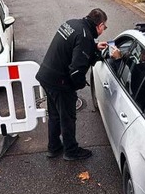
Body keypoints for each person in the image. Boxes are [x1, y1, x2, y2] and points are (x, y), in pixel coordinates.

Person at [36, 8, 110, 161]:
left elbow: (72, 46)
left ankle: (54, 147)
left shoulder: (72, 24)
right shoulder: (84, 36)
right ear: (100, 24)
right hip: (59, 81)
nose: (104, 30)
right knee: (68, 117)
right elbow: (76, 70)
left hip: (46, 75)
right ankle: (71, 151)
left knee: (55, 115)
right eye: (105, 27)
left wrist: (94, 47)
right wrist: (78, 86)